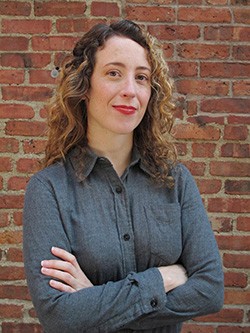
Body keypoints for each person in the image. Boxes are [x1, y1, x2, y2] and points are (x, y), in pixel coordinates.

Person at [23, 20, 224, 333]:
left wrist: (92, 301)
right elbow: (58, 315)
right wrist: (164, 279)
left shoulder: (176, 182)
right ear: (84, 86)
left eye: (141, 77)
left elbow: (210, 291)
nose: (130, 90)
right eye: (114, 73)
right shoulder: (49, 189)